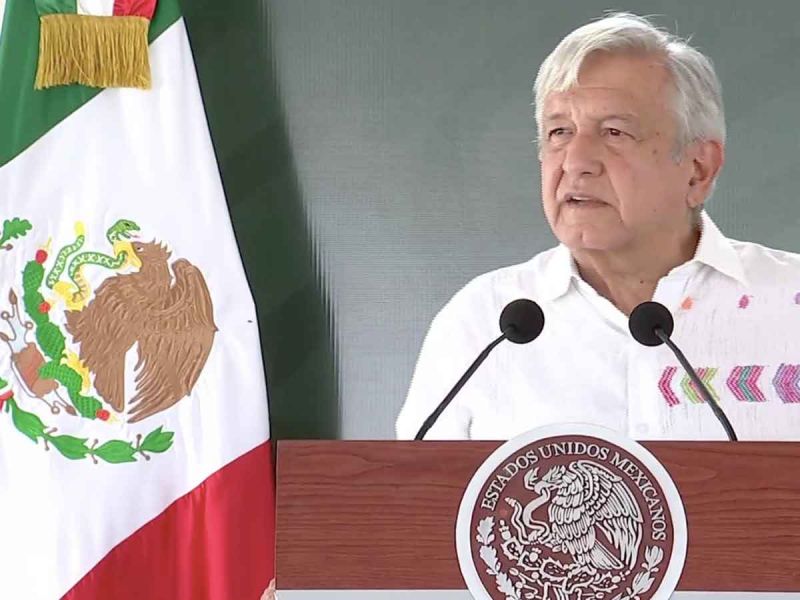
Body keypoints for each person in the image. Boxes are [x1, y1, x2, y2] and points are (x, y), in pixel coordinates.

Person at [396, 12, 800, 441]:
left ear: (698, 169)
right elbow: (412, 484)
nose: (576, 162)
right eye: (559, 132)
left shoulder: (789, 305)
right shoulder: (484, 321)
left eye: (614, 132)